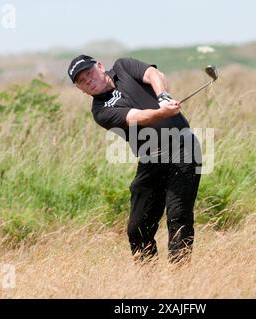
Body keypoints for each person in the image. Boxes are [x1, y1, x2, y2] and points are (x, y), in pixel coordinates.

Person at [67, 55, 202, 264]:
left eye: (89, 74)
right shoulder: (100, 111)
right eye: (82, 81)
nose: (89, 81)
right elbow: (137, 117)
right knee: (137, 228)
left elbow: (153, 74)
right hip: (151, 158)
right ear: (80, 90)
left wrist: (163, 97)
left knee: (178, 216)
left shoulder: (123, 67)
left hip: (183, 148)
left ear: (100, 67)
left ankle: (179, 279)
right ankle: (147, 282)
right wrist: (161, 112)